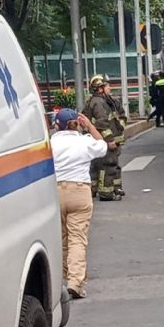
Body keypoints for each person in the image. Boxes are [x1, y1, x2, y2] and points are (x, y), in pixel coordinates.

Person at [50, 109, 108, 299]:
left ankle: (65, 277)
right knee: (77, 238)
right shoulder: (84, 141)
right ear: (78, 123)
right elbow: (103, 146)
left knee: (63, 237)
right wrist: (90, 126)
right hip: (80, 191)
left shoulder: (50, 144)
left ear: (56, 125)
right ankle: (75, 282)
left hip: (55, 192)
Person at [83, 75, 126, 201]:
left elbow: (118, 117)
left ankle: (112, 188)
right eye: (107, 86)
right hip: (105, 141)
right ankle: (106, 193)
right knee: (108, 165)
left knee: (103, 165)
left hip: (101, 140)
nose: (109, 88)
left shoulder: (104, 101)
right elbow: (102, 124)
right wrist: (110, 140)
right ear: (100, 89)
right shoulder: (99, 103)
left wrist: (120, 127)